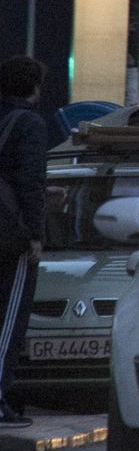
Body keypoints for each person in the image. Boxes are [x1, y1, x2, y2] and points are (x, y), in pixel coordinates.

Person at [0, 57, 48, 427]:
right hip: (11, 236)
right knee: (10, 318)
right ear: (34, 87)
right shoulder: (30, 124)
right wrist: (35, 233)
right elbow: (29, 182)